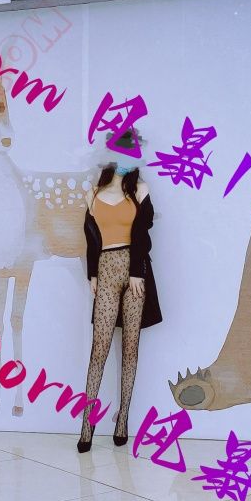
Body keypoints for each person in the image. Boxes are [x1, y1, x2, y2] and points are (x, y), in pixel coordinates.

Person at [78, 134, 162, 452]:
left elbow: (142, 233)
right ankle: (87, 426)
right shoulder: (93, 193)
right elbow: (91, 238)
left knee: (129, 348)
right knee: (99, 349)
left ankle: (123, 419)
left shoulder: (140, 190)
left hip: (134, 272)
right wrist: (93, 273)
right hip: (107, 269)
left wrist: (137, 270)